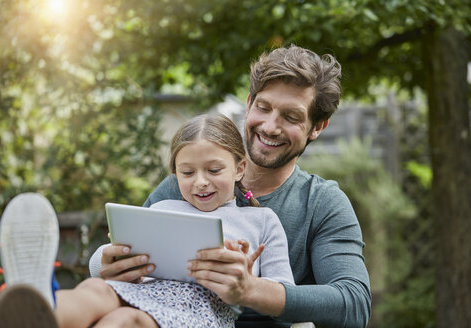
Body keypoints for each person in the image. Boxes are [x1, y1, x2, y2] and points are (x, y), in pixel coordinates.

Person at [90, 45, 372, 327]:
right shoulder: (181, 186)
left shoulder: (322, 203)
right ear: (249, 104)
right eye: (263, 108)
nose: (271, 126)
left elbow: (353, 304)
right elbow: (125, 257)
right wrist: (106, 263)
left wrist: (251, 290)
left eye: (291, 117)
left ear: (317, 127)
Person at [0, 113, 295, 327]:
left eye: (214, 170)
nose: (200, 182)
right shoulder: (163, 207)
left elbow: (286, 297)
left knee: (126, 320)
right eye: (187, 173)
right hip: (141, 287)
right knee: (95, 290)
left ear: (240, 168)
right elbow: (108, 259)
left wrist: (249, 283)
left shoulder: (261, 220)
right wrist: (106, 259)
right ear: (175, 173)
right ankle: (37, 314)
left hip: (198, 309)